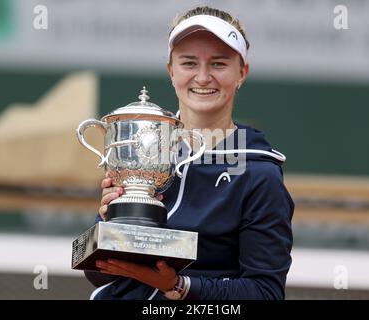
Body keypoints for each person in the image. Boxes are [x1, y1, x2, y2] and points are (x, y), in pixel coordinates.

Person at [85, 6, 294, 300]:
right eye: (189, 63)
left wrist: (178, 287)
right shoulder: (140, 152)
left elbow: (265, 293)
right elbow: (98, 275)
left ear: (241, 73)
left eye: (219, 64)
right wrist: (111, 225)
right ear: (171, 71)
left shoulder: (259, 174)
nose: (203, 77)